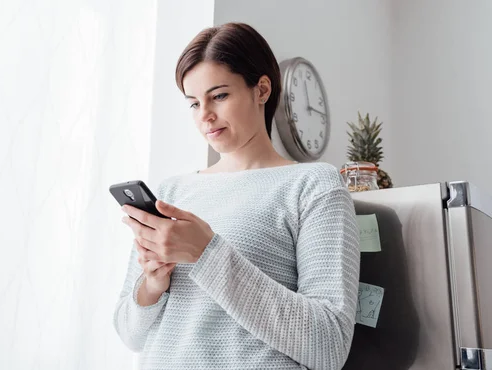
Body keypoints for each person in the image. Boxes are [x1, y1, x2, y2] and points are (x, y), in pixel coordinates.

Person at [113, 22, 360, 370]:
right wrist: (154, 284)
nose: (205, 116)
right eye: (194, 103)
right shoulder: (172, 192)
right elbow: (129, 334)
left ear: (261, 90)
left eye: (219, 96)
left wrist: (206, 252)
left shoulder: (314, 185)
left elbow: (328, 345)